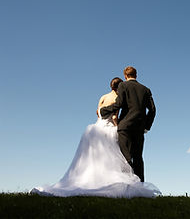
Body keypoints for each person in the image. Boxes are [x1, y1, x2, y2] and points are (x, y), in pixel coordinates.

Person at [30, 77, 160, 198]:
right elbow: (115, 116)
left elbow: (98, 112)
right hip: (112, 128)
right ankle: (129, 181)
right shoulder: (119, 97)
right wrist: (117, 126)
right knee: (119, 157)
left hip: (98, 127)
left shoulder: (103, 97)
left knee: (95, 158)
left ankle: (91, 179)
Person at [100, 66, 156, 182]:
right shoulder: (146, 89)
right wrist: (146, 126)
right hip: (139, 127)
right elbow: (152, 110)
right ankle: (140, 185)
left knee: (125, 156)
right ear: (136, 75)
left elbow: (118, 104)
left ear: (125, 76)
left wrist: (104, 110)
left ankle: (127, 182)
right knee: (138, 157)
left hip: (125, 126)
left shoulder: (123, 86)